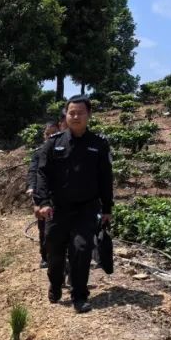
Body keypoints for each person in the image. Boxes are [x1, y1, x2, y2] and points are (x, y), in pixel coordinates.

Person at [33, 95, 113, 313]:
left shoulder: (99, 145)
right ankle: (55, 284)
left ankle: (79, 295)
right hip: (57, 208)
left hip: (86, 208)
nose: (75, 116)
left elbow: (106, 178)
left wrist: (107, 208)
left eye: (80, 113)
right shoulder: (53, 143)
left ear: (89, 115)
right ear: (66, 116)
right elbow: (42, 174)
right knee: (54, 250)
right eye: (71, 113)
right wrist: (43, 202)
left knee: (82, 248)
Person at [27, 118, 64, 269]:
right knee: (44, 228)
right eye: (48, 134)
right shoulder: (39, 152)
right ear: (44, 135)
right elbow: (33, 171)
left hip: (62, 196)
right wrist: (32, 187)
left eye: (54, 133)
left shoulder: (65, 149)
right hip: (43, 195)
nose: (50, 137)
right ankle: (45, 256)